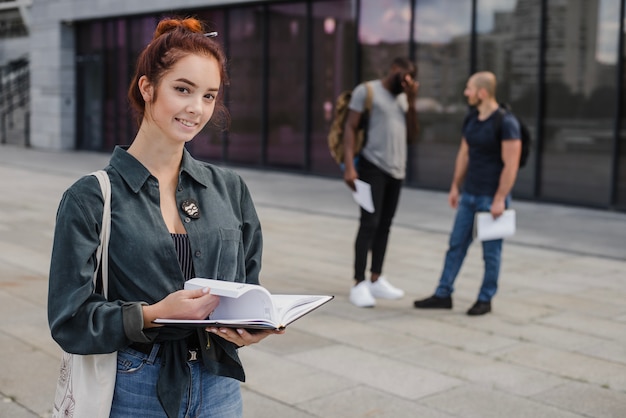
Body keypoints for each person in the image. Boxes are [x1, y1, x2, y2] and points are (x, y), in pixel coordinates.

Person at [48, 17, 282, 418]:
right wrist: (152, 314)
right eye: (183, 89)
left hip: (219, 383)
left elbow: (248, 287)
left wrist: (253, 325)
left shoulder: (229, 188)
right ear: (147, 87)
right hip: (134, 384)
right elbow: (69, 320)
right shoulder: (90, 197)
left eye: (209, 96)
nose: (197, 108)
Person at [413, 71, 521, 316]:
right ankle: (443, 294)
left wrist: (499, 198)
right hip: (469, 195)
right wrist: (455, 186)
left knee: (491, 253)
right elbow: (464, 153)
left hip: (491, 198)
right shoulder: (471, 118)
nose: (466, 93)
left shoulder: (506, 122)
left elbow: (511, 165)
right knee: (456, 245)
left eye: (469, 88)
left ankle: (485, 299)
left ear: (482, 92)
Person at [343, 57, 419, 308]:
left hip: (397, 170)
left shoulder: (403, 98)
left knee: (385, 225)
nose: (407, 82)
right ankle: (358, 283)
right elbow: (350, 127)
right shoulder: (368, 91)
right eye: (405, 77)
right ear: (395, 70)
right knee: (369, 224)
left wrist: (412, 100)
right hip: (372, 166)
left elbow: (412, 135)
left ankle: (376, 278)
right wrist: (350, 167)